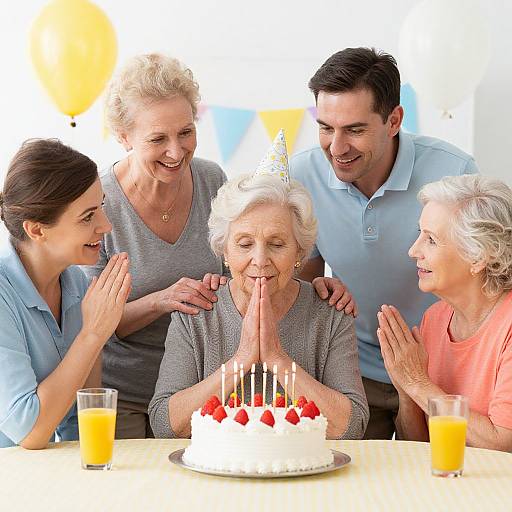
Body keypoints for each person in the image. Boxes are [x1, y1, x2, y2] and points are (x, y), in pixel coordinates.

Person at [84, 54, 353, 439]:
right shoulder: (100, 202)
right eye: (158, 138)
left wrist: (317, 285)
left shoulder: (211, 180)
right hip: (126, 387)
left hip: (210, 371)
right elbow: (91, 320)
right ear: (125, 137)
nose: (176, 152)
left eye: (186, 132)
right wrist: (164, 300)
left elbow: (248, 268)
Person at [290, 47, 479, 439]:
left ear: (394, 120)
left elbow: (486, 287)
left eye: (355, 130)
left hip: (440, 373)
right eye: (326, 127)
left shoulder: (454, 172)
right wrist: (316, 289)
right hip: (354, 374)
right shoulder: (301, 175)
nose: (337, 147)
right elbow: (297, 288)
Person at [149, 133, 369, 440]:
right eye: (244, 244)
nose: (260, 260)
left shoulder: (330, 314)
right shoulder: (196, 313)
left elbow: (351, 427)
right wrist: (241, 360)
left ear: (300, 253)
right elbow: (165, 425)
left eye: (277, 244)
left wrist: (278, 359)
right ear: (224, 251)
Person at [0, 139, 130, 449]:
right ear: (37, 230)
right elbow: (28, 431)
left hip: (51, 476)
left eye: (101, 207)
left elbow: (82, 419)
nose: (106, 226)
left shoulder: (77, 285)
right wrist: (93, 334)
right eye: (87, 216)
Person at [377, 175, 512, 451]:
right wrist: (405, 387)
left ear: (478, 257)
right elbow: (418, 446)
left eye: (432, 241)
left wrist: (418, 383)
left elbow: (501, 443)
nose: (413, 251)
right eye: (419, 235)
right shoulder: (435, 319)